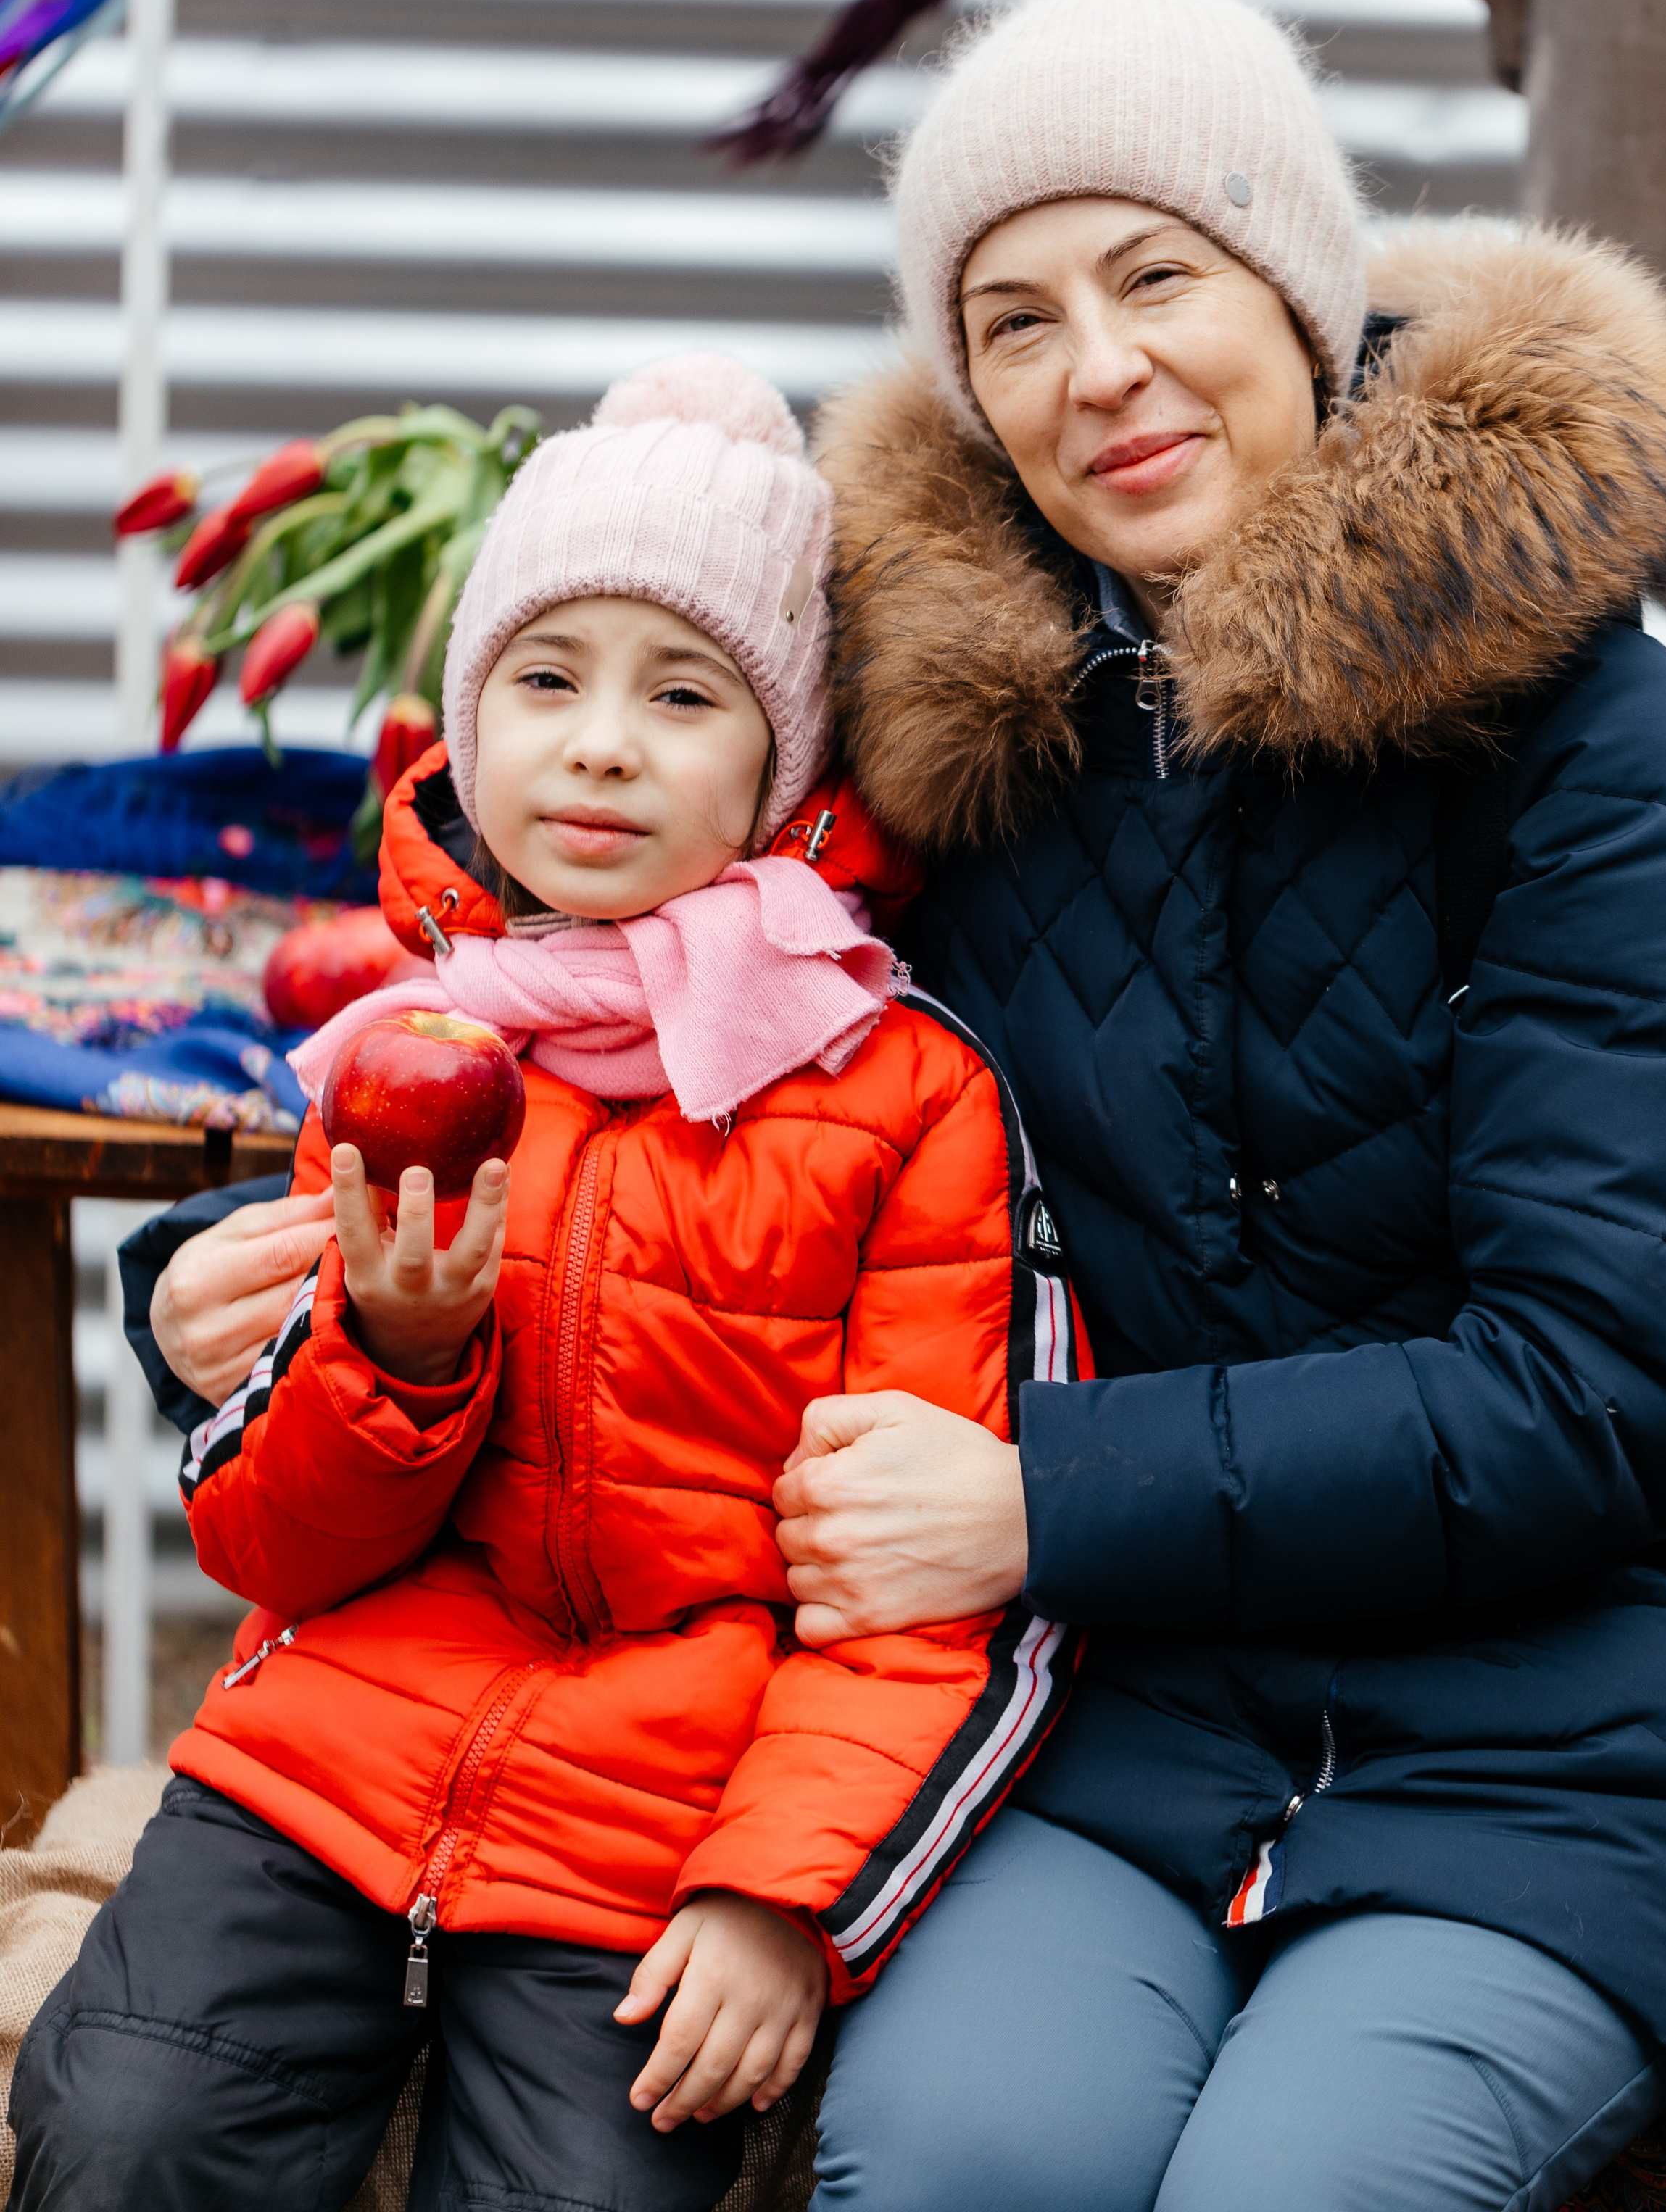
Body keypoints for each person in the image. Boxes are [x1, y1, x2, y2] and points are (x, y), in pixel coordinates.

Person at [129, 0, 1666, 2212]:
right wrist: (225, 1273)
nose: (1098, 370)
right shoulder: (966, 733)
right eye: (1014, 320)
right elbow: (623, 1024)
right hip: (1116, 1727)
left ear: (1297, 289)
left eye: (1157, 276)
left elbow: (1595, 1385)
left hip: (1542, 1736)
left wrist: (1037, 1496)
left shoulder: (1593, 741)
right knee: (957, 2158)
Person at [7, 358, 1078, 2212]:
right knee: (122, 2133)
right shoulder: (406, 1053)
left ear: (783, 764)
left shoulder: (903, 1094)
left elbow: (926, 1591)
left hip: (664, 1820)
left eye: (683, 695)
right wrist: (399, 1352)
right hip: (321, 1768)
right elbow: (275, 1547)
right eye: (547, 679)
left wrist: (783, 1896)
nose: (599, 746)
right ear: (470, 719)